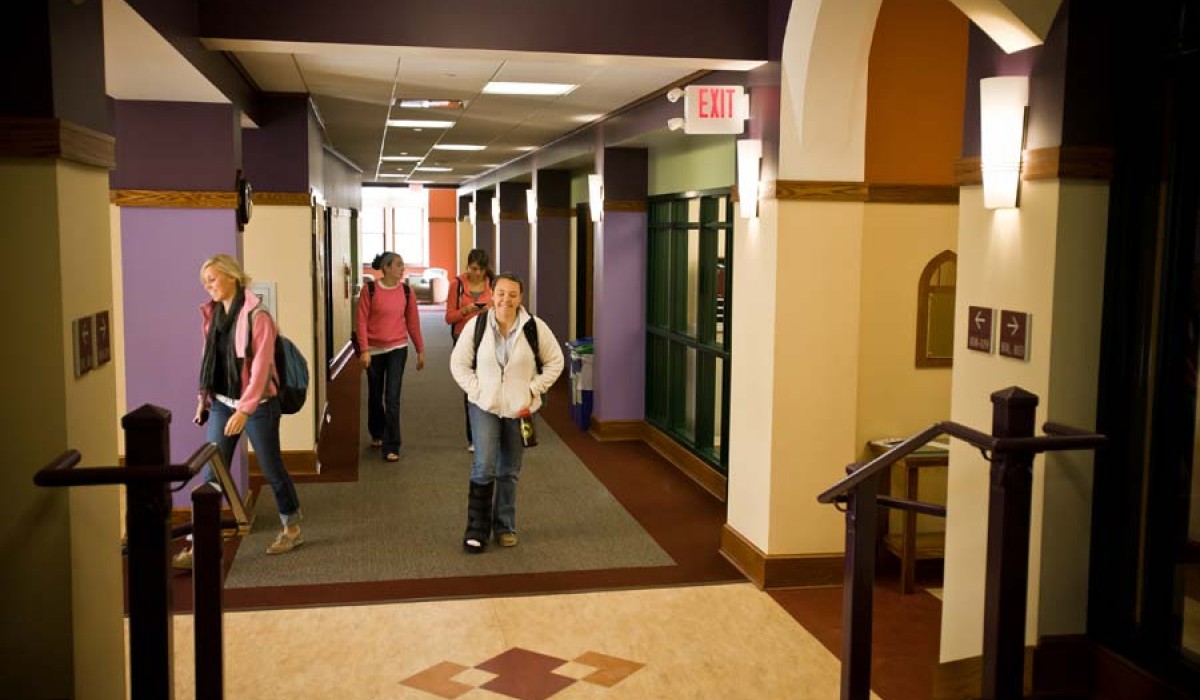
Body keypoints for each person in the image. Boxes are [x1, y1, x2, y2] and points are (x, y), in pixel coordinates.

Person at [176, 254, 304, 569]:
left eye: (213, 279)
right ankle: (201, 544)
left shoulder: (258, 316)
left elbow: (261, 369)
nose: (208, 286)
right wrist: (203, 398)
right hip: (221, 402)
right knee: (212, 473)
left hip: (258, 405)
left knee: (272, 469)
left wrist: (245, 410)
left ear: (233, 277)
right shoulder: (212, 314)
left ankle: (292, 527)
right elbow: (210, 360)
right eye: (204, 281)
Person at [449, 272, 564, 553]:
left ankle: (505, 526)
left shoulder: (534, 327)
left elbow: (555, 361)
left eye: (513, 294)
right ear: (491, 294)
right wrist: (477, 392)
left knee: (509, 470)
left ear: (521, 298)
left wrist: (533, 390)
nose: (506, 299)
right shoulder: (476, 326)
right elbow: (459, 364)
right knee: (483, 465)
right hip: (484, 406)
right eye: (501, 293)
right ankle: (477, 528)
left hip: (520, 408)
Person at [356, 252, 426, 462]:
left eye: (402, 265)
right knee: (375, 395)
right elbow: (360, 322)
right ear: (385, 268)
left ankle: (392, 444)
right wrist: (364, 350)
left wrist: (420, 349)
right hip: (374, 349)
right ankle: (377, 431)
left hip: (398, 348)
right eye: (398, 265)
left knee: (392, 397)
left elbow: (413, 322)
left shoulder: (406, 291)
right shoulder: (369, 290)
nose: (402, 268)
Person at [444, 248, 494, 451]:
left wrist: (489, 309)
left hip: (489, 339)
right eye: (473, 268)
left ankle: (489, 433)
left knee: (489, 385)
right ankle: (474, 437)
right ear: (468, 266)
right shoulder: (456, 285)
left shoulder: (493, 284)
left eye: (480, 270)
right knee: (471, 389)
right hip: (464, 340)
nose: (477, 274)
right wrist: (466, 310)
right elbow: (449, 318)